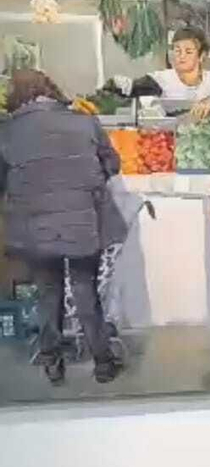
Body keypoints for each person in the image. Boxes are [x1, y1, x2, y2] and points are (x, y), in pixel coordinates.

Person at [0, 69, 125, 385]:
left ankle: (52, 362)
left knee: (47, 292)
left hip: (35, 225)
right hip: (82, 222)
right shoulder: (84, 121)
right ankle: (103, 362)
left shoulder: (8, 131)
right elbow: (112, 164)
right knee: (85, 290)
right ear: (51, 90)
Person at [111, 27, 210, 120]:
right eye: (177, 51)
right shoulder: (160, 79)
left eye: (188, 52)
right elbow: (129, 89)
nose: (181, 56)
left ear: (202, 56)